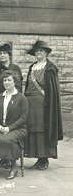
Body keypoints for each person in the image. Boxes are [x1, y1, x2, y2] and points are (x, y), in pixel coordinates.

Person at [24, 40, 63, 170]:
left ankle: (44, 159)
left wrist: (50, 103)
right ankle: (38, 157)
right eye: (36, 51)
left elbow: (53, 90)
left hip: (44, 105)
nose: (38, 53)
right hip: (30, 104)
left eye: (41, 50)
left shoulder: (50, 68)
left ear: (46, 53)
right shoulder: (32, 67)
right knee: (33, 130)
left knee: (42, 130)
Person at [0, 70, 28, 181]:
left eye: (9, 80)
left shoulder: (21, 98)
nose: (7, 82)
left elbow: (23, 118)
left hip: (17, 129)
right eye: (5, 80)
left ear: (15, 82)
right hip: (0, 127)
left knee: (9, 139)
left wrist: (9, 128)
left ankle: (14, 168)